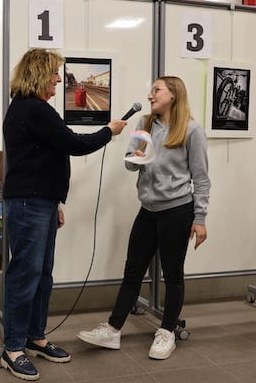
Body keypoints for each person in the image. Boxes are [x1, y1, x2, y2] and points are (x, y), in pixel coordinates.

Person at [1, 48, 127, 381]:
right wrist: (109, 131)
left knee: (41, 274)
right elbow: (75, 144)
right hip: (29, 204)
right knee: (25, 276)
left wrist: (55, 201)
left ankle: (35, 337)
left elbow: (39, 160)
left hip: (38, 202)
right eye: (55, 72)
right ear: (40, 74)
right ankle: (13, 348)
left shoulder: (27, 109)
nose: (60, 78)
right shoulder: (34, 109)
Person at [77, 76, 211, 360]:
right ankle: (113, 329)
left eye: (156, 90)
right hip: (148, 209)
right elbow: (129, 164)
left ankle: (166, 332)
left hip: (177, 210)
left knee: (172, 274)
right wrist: (135, 156)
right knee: (133, 271)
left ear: (173, 94)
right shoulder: (144, 124)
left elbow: (201, 179)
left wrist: (200, 218)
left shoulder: (191, 130)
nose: (150, 95)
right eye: (150, 91)